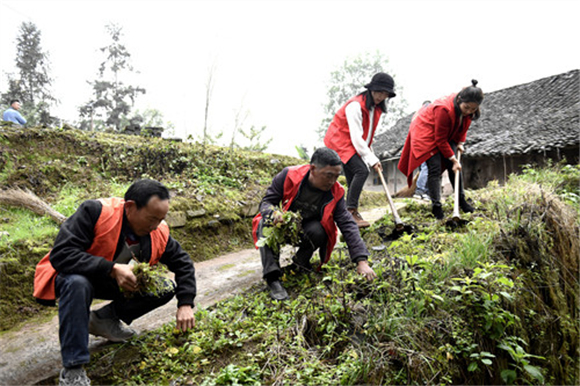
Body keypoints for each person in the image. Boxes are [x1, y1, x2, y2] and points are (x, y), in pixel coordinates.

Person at [33, 179, 197, 386]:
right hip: (73, 276)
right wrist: (111, 268)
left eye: (161, 219)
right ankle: (73, 369)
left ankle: (105, 320)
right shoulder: (95, 212)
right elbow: (62, 255)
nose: (155, 225)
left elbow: (183, 263)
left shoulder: (157, 232)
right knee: (78, 284)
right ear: (130, 207)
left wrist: (185, 303)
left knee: (164, 288)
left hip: (110, 282)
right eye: (151, 218)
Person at [252, 147, 377, 301]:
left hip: (307, 230)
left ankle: (299, 264)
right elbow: (267, 202)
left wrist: (361, 261)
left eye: (336, 176)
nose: (332, 181)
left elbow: (348, 224)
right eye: (328, 176)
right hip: (282, 226)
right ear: (313, 169)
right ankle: (273, 278)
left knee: (320, 230)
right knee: (265, 223)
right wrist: (273, 214)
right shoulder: (289, 176)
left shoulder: (336, 191)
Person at [398, 80, 484, 219]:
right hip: (425, 130)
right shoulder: (443, 109)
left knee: (454, 168)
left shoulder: (469, 111)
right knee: (435, 168)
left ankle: (461, 200)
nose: (469, 111)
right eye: (466, 107)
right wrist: (453, 159)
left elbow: (463, 127)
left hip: (444, 132)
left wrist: (460, 143)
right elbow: (440, 140)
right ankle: (436, 206)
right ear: (459, 100)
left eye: (473, 109)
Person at [324, 72, 396, 228]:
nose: (380, 96)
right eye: (378, 92)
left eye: (385, 94)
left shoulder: (375, 109)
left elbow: (367, 136)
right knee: (362, 170)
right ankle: (351, 211)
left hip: (352, 142)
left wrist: (371, 154)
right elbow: (356, 137)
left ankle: (347, 214)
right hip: (340, 141)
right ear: (371, 89)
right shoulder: (355, 106)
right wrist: (371, 159)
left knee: (353, 178)